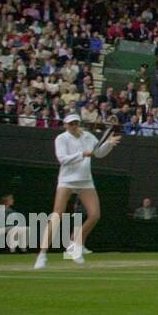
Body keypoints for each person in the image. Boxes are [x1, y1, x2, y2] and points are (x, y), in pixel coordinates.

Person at [34, 114, 119, 269]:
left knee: (94, 215)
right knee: (57, 214)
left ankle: (75, 243)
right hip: (67, 180)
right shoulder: (61, 139)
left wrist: (109, 144)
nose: (73, 126)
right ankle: (42, 255)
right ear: (65, 125)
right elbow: (62, 159)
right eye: (70, 124)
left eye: (75, 123)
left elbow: (98, 153)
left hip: (85, 180)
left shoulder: (88, 136)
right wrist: (83, 154)